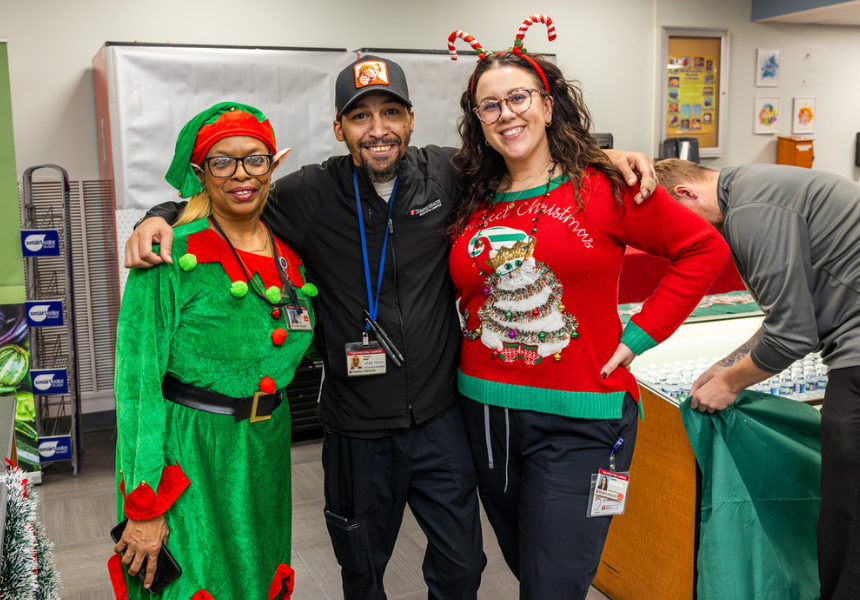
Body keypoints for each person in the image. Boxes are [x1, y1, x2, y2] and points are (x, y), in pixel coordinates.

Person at [124, 55, 659, 600]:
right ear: (339, 128)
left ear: (409, 119)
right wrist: (158, 214)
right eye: (360, 118)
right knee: (363, 572)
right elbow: (232, 199)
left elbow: (532, 154)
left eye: (390, 113)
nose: (377, 130)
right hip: (356, 429)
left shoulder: (452, 175)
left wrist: (603, 157)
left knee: (462, 567)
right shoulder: (308, 194)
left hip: (440, 419)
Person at [446, 18, 731, 599]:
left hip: (583, 419)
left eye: (518, 97)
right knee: (532, 570)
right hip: (485, 415)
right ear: (477, 120)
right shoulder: (469, 195)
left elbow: (703, 249)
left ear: (548, 106)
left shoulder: (604, 187)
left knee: (555, 584)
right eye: (489, 105)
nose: (506, 113)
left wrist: (640, 335)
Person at [111, 102, 315, 600]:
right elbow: (137, 386)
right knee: (196, 585)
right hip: (190, 455)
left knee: (256, 575)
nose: (241, 174)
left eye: (255, 159)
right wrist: (144, 504)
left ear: (273, 166)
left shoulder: (289, 256)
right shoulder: (169, 257)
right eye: (223, 161)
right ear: (201, 174)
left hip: (263, 452)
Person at [655, 157, 860, 600]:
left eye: (671, 222)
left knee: (848, 503)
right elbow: (783, 318)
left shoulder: (750, 210)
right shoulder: (751, 191)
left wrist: (730, 385)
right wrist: (727, 364)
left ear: (686, 194)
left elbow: (792, 334)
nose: (675, 239)